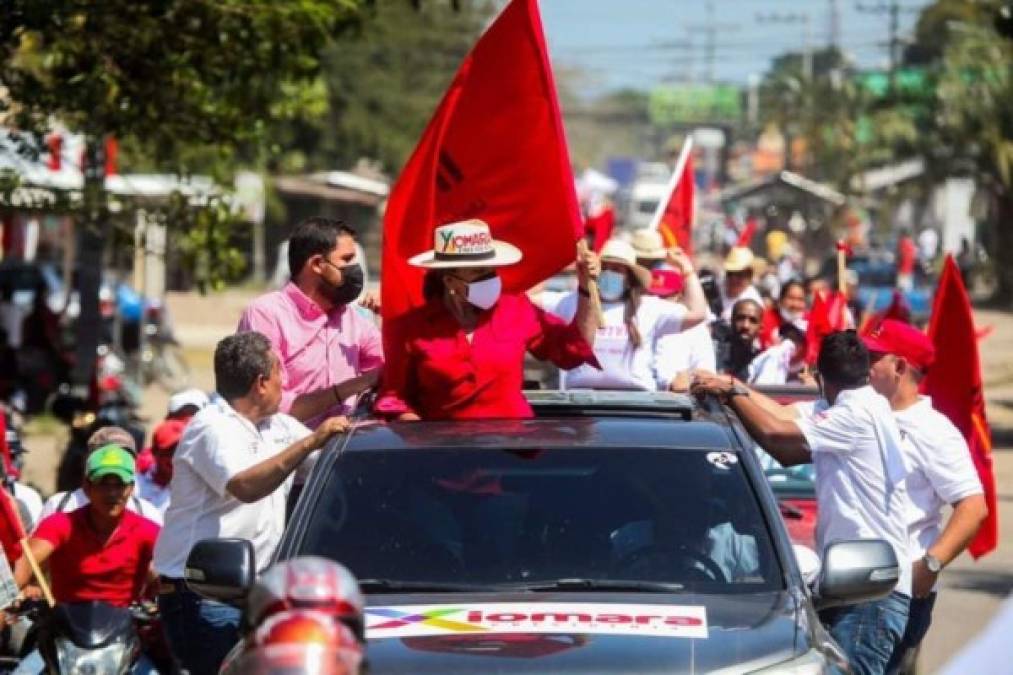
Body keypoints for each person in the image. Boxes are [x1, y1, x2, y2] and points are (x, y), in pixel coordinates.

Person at [691, 330, 913, 675]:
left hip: (870, 597)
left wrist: (730, 394)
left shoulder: (854, 417)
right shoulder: (860, 404)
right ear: (866, 373)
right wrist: (729, 384)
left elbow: (779, 441)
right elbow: (785, 414)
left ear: (821, 377)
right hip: (861, 587)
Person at [153, 331, 349, 675]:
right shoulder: (211, 427)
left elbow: (336, 462)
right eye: (280, 373)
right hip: (203, 592)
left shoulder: (279, 426)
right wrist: (313, 441)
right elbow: (245, 485)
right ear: (261, 382)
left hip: (257, 589)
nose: (284, 382)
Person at [375, 219, 600, 420]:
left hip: (510, 452)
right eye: (479, 272)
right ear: (451, 282)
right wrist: (422, 436)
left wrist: (585, 288)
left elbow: (572, 350)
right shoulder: (413, 327)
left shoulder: (517, 309)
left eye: (492, 271)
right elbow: (394, 398)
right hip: (442, 455)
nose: (491, 279)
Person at [862, 320, 987, 673]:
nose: (863, 366)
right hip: (850, 584)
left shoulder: (933, 431)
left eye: (873, 357)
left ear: (899, 367)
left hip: (896, 592)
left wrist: (930, 565)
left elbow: (973, 506)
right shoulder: (863, 415)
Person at [13, 445, 160, 674]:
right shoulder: (60, 524)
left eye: (119, 484)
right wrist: (12, 595)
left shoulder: (147, 531)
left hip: (123, 641)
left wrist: (164, 599)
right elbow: (26, 562)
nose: (112, 493)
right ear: (87, 487)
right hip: (63, 637)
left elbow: (168, 574)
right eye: (103, 484)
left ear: (131, 488)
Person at [238, 217, 382, 428]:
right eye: (347, 259)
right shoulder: (267, 314)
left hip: (343, 450)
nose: (355, 269)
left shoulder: (349, 317)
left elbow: (389, 372)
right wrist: (352, 386)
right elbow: (267, 404)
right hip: (290, 453)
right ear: (317, 264)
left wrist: (393, 317)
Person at [538, 237, 706, 392]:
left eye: (618, 269)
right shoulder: (574, 301)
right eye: (605, 267)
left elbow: (697, 313)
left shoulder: (649, 308)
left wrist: (687, 269)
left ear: (629, 277)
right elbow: (528, 301)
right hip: (581, 402)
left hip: (634, 404)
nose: (610, 273)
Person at [37, 426, 162, 526]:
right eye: (106, 455)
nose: (117, 461)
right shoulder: (60, 506)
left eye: (125, 456)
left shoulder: (147, 514)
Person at [651, 269, 717, 393]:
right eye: (652, 295)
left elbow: (707, 373)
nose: (657, 302)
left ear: (679, 295)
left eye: (664, 296)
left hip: (678, 403)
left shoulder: (696, 328)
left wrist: (688, 379)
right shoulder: (637, 319)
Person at [136, 418, 186, 516]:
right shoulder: (135, 486)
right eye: (170, 452)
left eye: (181, 451)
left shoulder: (192, 490)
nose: (175, 458)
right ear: (155, 452)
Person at [713, 298, 763, 381]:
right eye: (740, 318)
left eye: (753, 321)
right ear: (731, 321)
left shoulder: (760, 360)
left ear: (761, 328)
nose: (745, 326)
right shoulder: (714, 354)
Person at [719, 246, 763, 322]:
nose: (733, 279)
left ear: (750, 276)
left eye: (740, 275)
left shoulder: (753, 301)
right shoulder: (717, 290)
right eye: (730, 273)